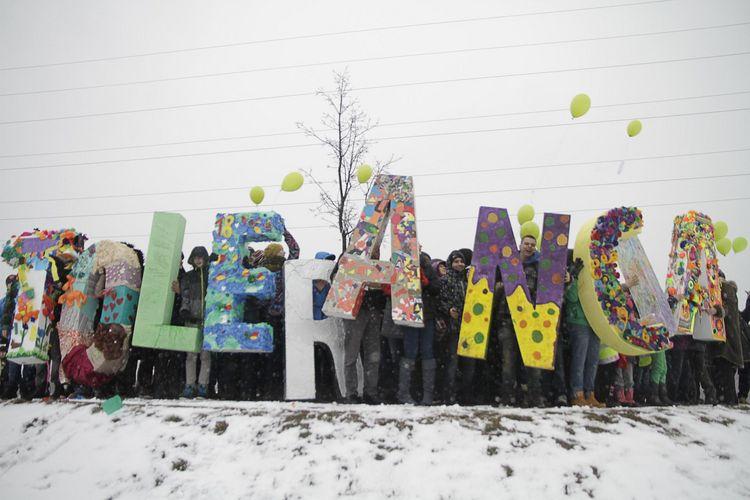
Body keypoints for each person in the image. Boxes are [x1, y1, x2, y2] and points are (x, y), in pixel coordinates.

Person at [494, 235, 544, 407]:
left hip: (531, 320)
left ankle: (534, 397)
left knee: (532, 361)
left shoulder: (538, 267)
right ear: (520, 245)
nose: (529, 247)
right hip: (508, 318)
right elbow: (492, 283)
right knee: (508, 361)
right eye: (526, 244)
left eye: (532, 245)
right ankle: (507, 397)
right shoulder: (507, 264)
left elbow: (546, 291)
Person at [341, 248, 386, 404]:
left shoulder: (380, 265)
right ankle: (351, 393)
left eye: (377, 251)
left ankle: (370, 393)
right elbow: (337, 279)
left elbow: (387, 286)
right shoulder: (349, 257)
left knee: (373, 356)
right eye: (373, 250)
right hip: (354, 312)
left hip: (374, 312)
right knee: (351, 355)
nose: (375, 253)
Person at [397, 252, 440, 405]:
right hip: (410, 315)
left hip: (426, 316)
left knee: (427, 352)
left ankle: (427, 395)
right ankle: (403, 393)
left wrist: (426, 282)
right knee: (410, 352)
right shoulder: (402, 264)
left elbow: (436, 288)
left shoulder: (427, 266)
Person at [563, 253, 604, 407]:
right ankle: (577, 393)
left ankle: (589, 393)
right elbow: (572, 297)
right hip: (578, 321)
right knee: (579, 359)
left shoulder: (596, 274)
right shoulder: (574, 271)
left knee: (592, 360)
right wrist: (574, 278)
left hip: (595, 322)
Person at [438, 250, 469, 405]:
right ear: (451, 263)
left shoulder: (468, 280)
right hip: (452, 328)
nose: (459, 264)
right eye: (456, 261)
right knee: (452, 362)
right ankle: (449, 395)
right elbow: (440, 300)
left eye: (462, 261)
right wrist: (449, 309)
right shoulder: (445, 280)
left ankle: (466, 395)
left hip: (469, 327)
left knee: (469, 364)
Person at [180, 246, 211, 398]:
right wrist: (185, 310)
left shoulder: (210, 275)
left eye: (201, 257)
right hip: (192, 318)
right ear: (192, 259)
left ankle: (203, 385)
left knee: (205, 356)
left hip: (208, 320)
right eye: (196, 257)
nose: (199, 260)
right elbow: (185, 295)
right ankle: (189, 385)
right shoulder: (188, 276)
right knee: (191, 355)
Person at [709, 272, 744, 405]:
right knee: (721, 371)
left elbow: (726, 310)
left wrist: (716, 311)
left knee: (726, 372)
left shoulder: (727, 289)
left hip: (727, 341)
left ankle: (729, 400)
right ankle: (724, 399)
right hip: (722, 341)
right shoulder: (720, 290)